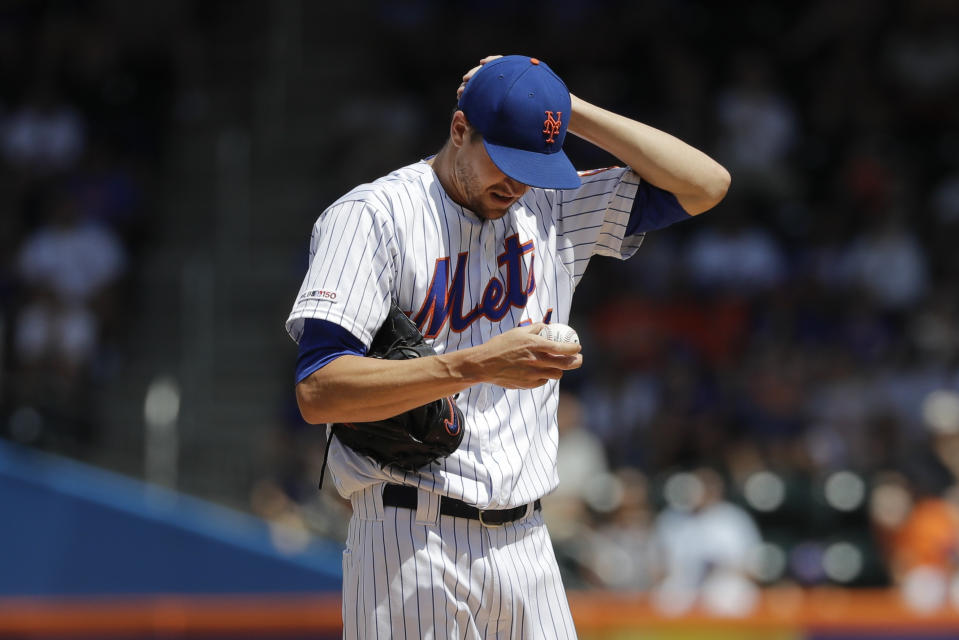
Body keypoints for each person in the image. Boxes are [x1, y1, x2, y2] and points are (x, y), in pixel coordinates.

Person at [287, 55, 729, 639]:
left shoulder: (551, 205)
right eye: (507, 160)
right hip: (410, 538)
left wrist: (567, 111)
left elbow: (705, 184)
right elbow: (318, 391)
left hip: (528, 543)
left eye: (537, 164)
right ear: (460, 129)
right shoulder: (373, 217)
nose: (518, 183)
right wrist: (476, 365)